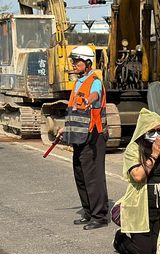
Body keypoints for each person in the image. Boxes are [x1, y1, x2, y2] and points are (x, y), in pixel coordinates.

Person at [57, 45, 109, 230]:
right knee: (80, 175)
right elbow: (74, 111)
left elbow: (95, 95)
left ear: (87, 63)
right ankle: (88, 212)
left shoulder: (94, 81)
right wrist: (65, 129)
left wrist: (89, 100)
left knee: (93, 177)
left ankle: (99, 216)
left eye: (76, 61)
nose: (73, 64)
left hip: (93, 136)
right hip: (79, 135)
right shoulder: (78, 83)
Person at [113, 109, 160, 254]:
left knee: (159, 249)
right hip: (141, 205)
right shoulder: (133, 149)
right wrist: (153, 156)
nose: (155, 134)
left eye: (158, 130)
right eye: (151, 131)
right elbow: (138, 176)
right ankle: (120, 239)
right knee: (143, 251)